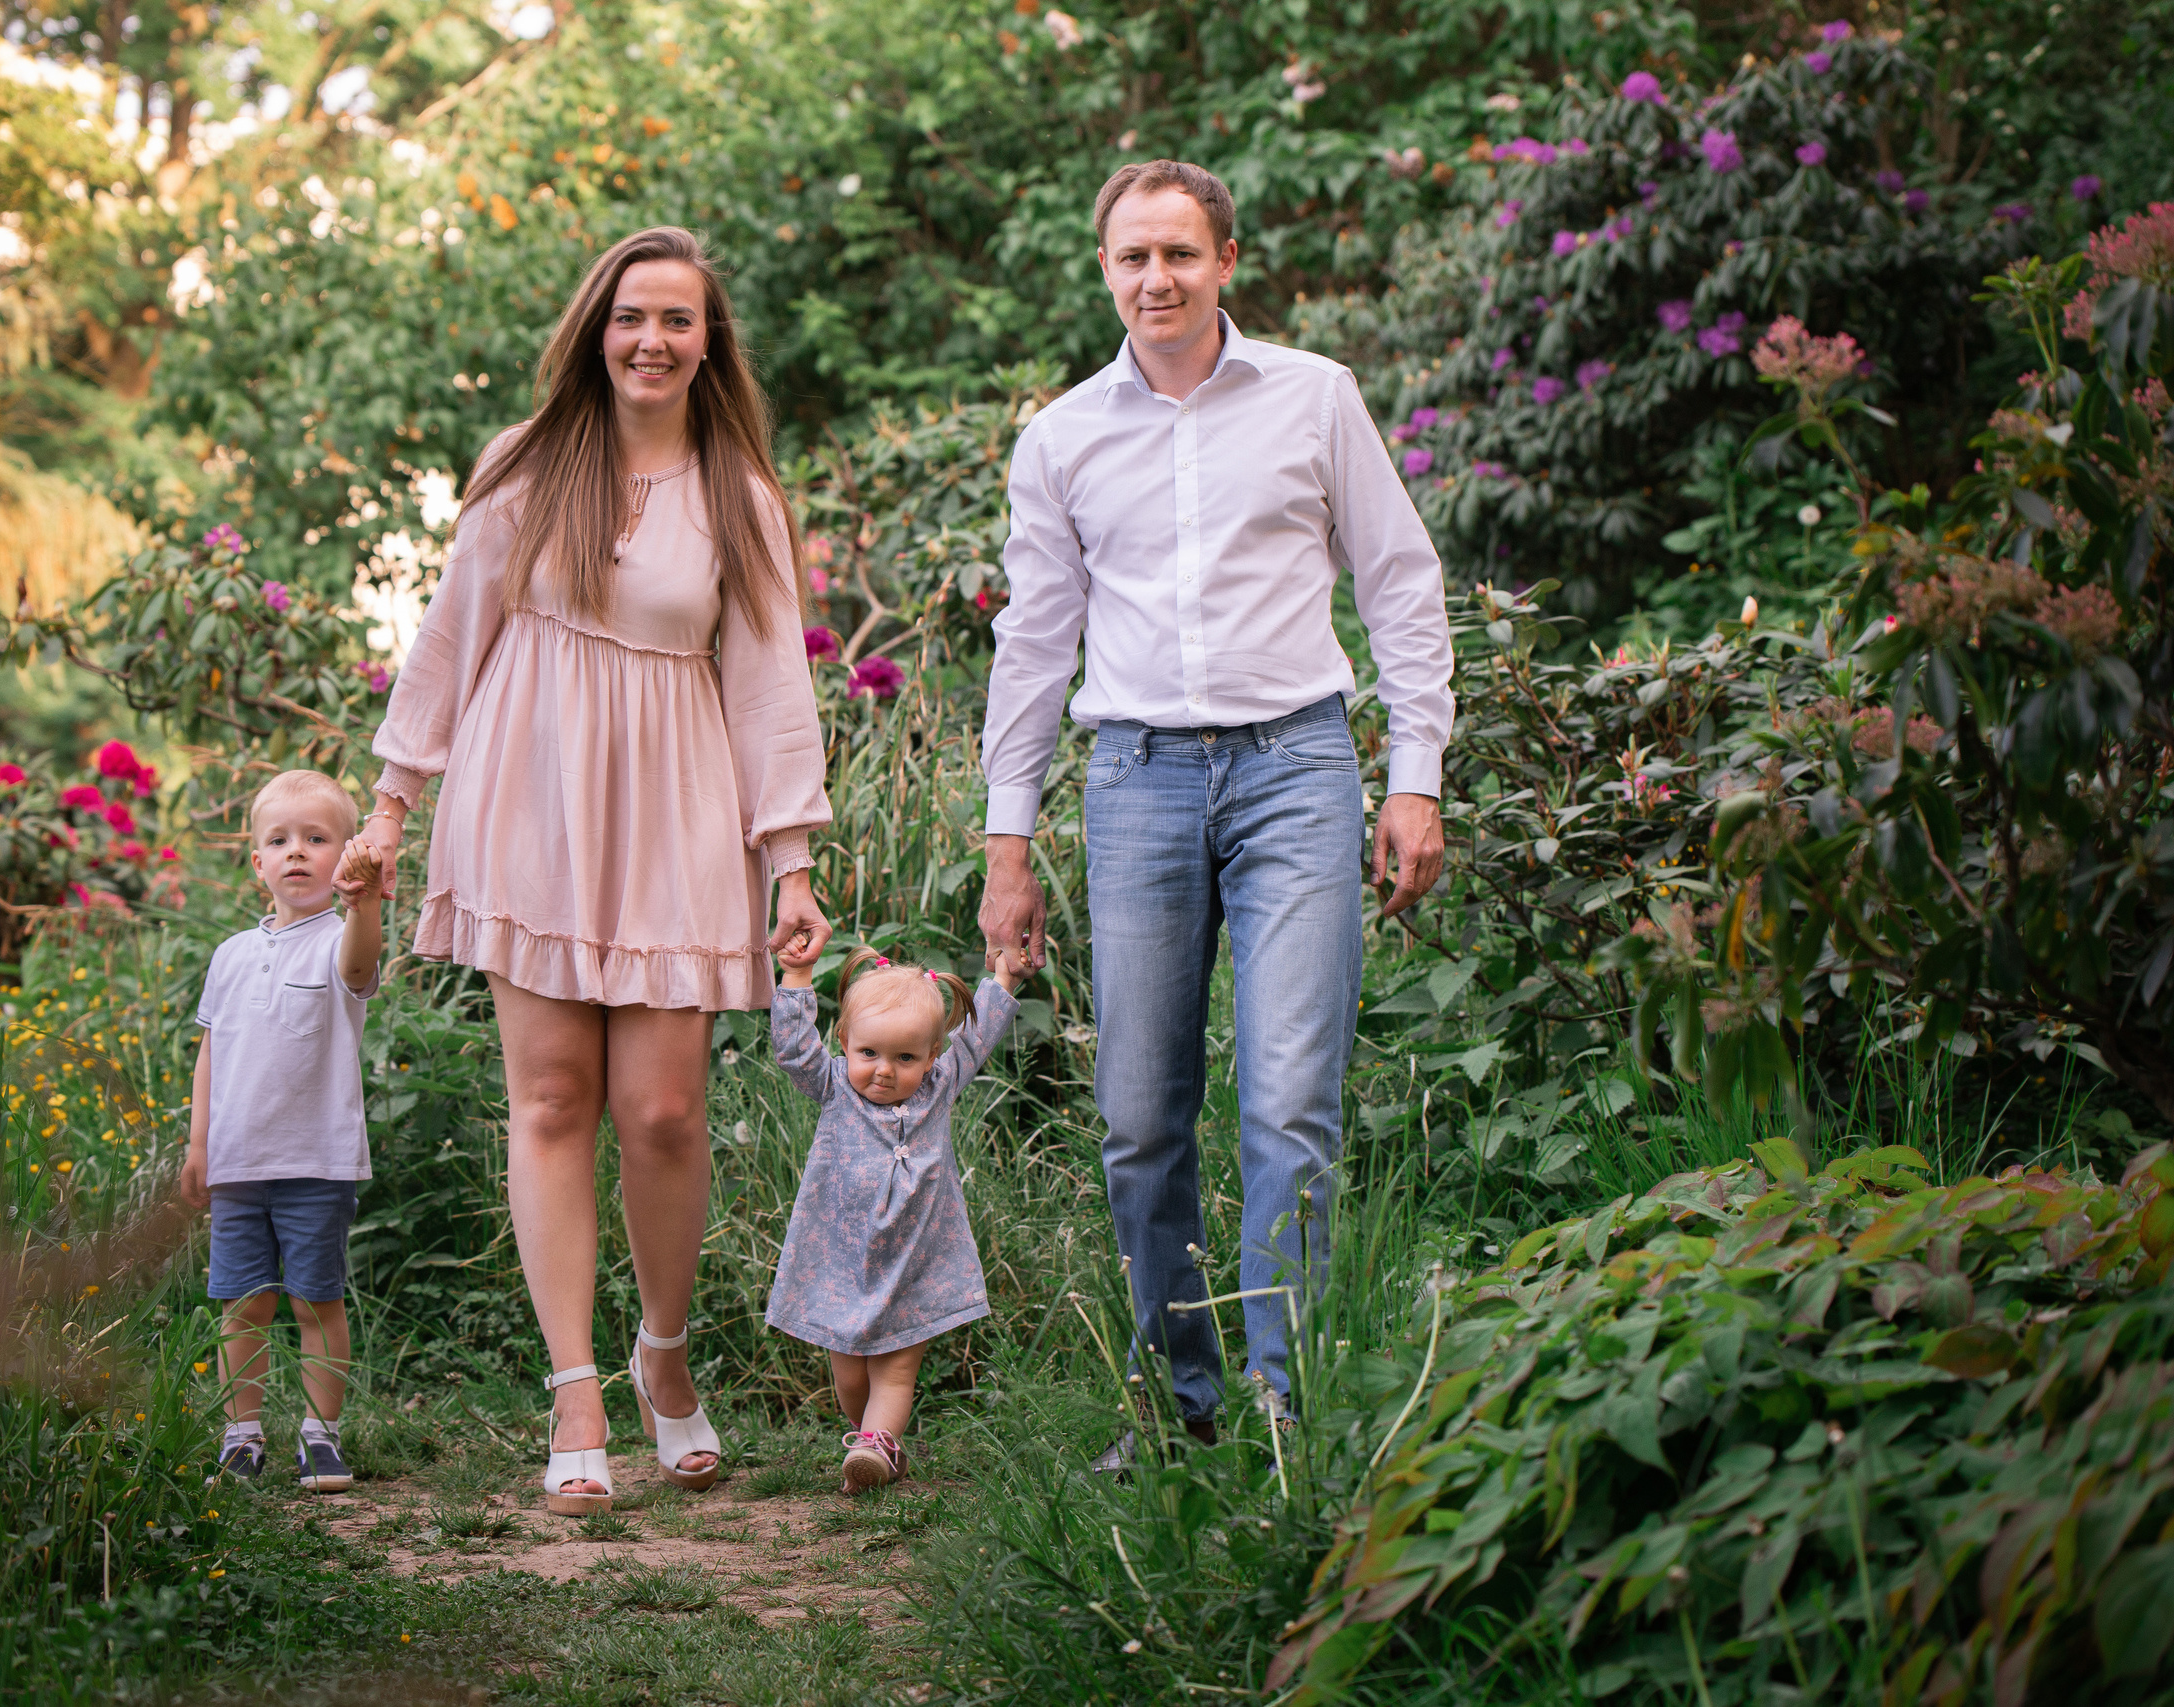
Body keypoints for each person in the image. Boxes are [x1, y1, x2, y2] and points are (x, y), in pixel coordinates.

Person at [975, 161, 1455, 1467]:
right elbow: (1034, 646)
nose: (1156, 279)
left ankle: (1282, 1403)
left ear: (1228, 259)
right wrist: (1005, 842)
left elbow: (1403, 585)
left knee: (1289, 1096)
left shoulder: (1315, 399)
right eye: (1132, 257)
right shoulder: (1063, 436)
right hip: (1135, 781)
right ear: (1104, 271)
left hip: (1297, 769)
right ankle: (1181, 1407)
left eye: (1180, 253)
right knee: (1140, 1113)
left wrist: (1414, 771)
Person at [360, 227, 832, 1513]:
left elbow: (770, 683)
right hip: (532, 792)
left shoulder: (739, 496)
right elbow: (452, 635)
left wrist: (790, 861)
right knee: (553, 1100)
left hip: (678, 804)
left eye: (679, 320)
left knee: (665, 1111)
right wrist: (392, 801)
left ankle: (663, 1362)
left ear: (707, 344)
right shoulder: (528, 463)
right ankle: (574, 1390)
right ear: (597, 327)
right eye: (632, 316)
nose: (652, 340)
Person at [180, 769, 386, 1493]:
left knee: (313, 1300)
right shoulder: (232, 954)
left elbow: (362, 962)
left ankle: (319, 1436)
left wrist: (367, 903)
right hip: (238, 1164)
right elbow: (213, 1049)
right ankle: (242, 1436)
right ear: (257, 861)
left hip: (316, 1162)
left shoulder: (339, 942)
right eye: (280, 840)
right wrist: (200, 1144)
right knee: (243, 1304)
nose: (297, 852)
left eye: (317, 838)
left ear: (345, 857)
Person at [764, 933, 1029, 1492]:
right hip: (843, 1263)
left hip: (916, 1261)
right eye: (869, 1054)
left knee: (896, 1369)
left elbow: (977, 1036)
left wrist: (1003, 980)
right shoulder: (834, 1086)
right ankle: (875, 1444)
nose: (884, 1071)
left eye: (905, 1057)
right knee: (850, 1376)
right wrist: (796, 979)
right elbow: (793, 1049)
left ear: (932, 1056)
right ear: (845, 1042)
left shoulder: (938, 1088)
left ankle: (876, 1446)